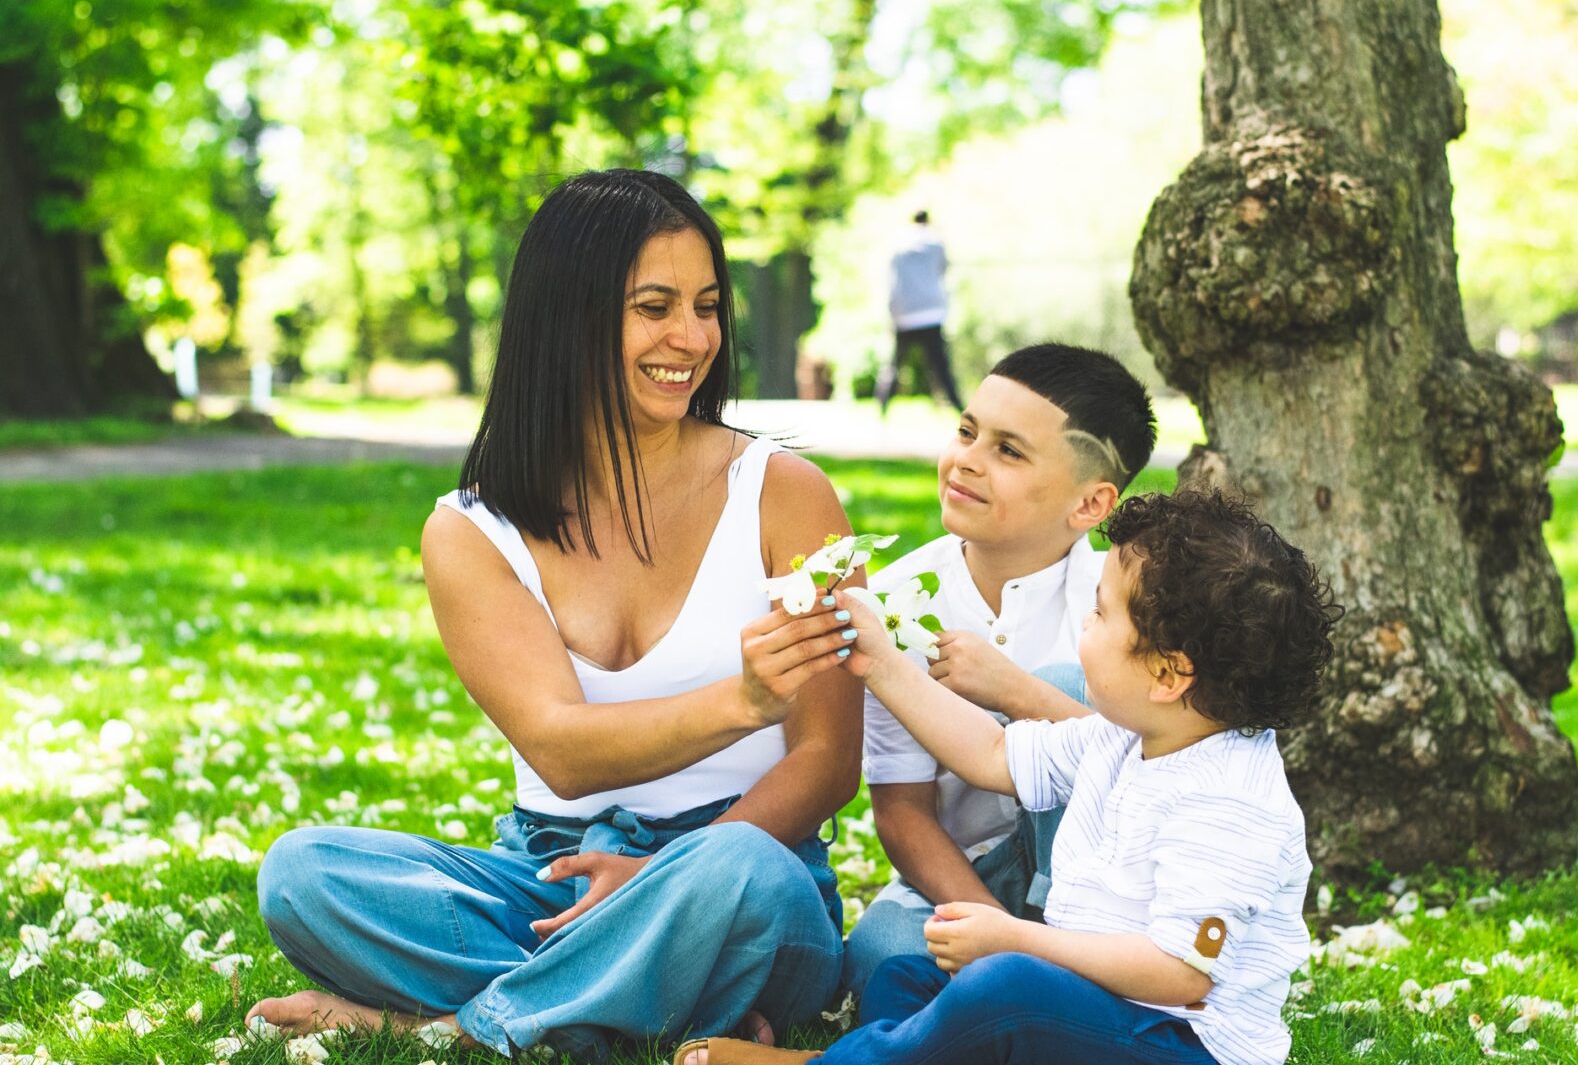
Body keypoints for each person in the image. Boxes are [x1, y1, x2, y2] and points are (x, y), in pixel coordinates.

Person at [246, 169, 864, 1063]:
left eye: (706, 305)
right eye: (654, 307)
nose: (690, 338)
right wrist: (743, 699)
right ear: (569, 315)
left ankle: (464, 1027)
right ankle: (626, 1002)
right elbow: (562, 753)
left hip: (745, 867)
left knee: (744, 878)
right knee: (304, 875)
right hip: (552, 873)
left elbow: (828, 761)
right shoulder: (471, 530)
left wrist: (656, 877)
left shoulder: (785, 494)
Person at [677, 487, 1339, 1065]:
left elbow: (1183, 976)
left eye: (1104, 613)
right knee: (907, 979)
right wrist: (878, 659)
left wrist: (1016, 940)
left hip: (1175, 1043)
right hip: (1092, 1008)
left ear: (1167, 674)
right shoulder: (1124, 738)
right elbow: (992, 754)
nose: (1088, 619)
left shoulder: (1229, 804)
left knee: (1003, 992)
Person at [843, 342, 1158, 996]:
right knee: (881, 956)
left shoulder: (1123, 607)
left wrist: (1014, 689)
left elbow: (1156, 769)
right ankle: (1032, 986)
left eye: (1008, 451)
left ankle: (1061, 971)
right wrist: (985, 929)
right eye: (966, 432)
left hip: (1103, 892)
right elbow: (903, 813)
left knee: (1070, 687)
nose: (967, 460)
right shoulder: (899, 605)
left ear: (1091, 504)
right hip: (964, 878)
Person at [876, 210, 964, 416]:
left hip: (904, 313)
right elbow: (943, 271)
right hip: (932, 312)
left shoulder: (898, 245)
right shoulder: (937, 243)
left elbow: (891, 281)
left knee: (895, 365)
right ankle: (957, 407)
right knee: (941, 367)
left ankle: (881, 407)